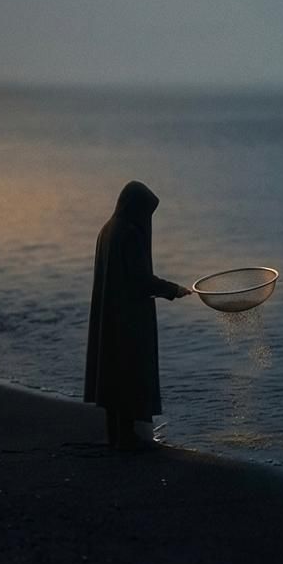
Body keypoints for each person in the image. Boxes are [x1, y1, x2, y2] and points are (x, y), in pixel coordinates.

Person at [84, 181, 191, 450]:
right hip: (128, 316)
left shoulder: (108, 229)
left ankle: (116, 433)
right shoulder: (129, 233)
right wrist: (174, 290)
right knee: (130, 369)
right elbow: (142, 280)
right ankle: (127, 435)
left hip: (108, 313)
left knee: (112, 370)